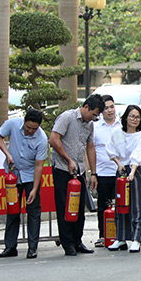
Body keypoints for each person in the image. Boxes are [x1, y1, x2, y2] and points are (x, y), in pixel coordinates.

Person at [49, 94, 103, 256]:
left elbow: (90, 148)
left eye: (96, 116)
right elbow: (53, 139)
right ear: (86, 107)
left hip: (79, 171)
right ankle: (68, 244)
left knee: (79, 209)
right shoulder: (67, 117)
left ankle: (78, 241)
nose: (93, 118)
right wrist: (68, 159)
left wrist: (92, 172)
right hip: (62, 170)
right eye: (93, 114)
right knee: (64, 207)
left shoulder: (89, 124)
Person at [0, 109, 48, 259]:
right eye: (28, 127)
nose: (30, 131)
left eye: (34, 129)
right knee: (12, 209)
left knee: (33, 211)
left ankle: (32, 248)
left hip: (31, 176)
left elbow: (39, 166)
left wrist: (34, 189)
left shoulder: (42, 139)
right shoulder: (13, 123)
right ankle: (10, 247)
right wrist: (7, 154)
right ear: (24, 121)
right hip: (13, 174)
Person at [107, 105, 141, 252]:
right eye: (132, 116)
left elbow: (138, 154)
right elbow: (110, 149)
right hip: (122, 169)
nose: (134, 119)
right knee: (121, 204)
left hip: (135, 170)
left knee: (137, 205)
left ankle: (136, 239)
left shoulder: (139, 135)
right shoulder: (117, 132)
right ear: (125, 118)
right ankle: (120, 238)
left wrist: (133, 171)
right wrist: (118, 164)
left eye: (137, 117)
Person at [91, 95, 121, 247]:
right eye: (105, 108)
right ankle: (103, 235)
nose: (109, 111)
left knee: (122, 204)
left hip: (120, 172)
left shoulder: (122, 125)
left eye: (111, 107)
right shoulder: (95, 127)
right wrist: (93, 173)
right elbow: (91, 150)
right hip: (102, 172)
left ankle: (121, 234)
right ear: (100, 111)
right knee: (103, 205)